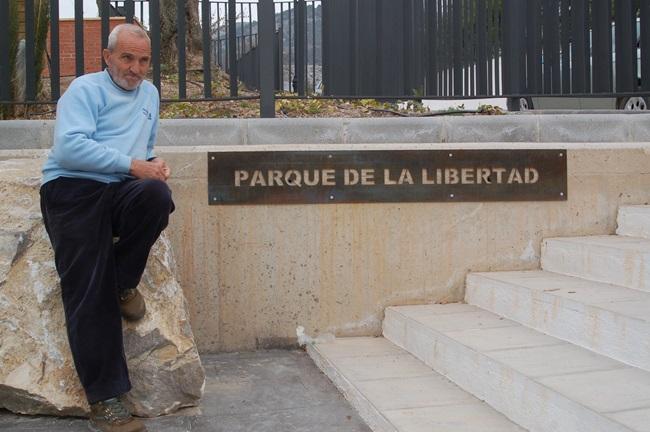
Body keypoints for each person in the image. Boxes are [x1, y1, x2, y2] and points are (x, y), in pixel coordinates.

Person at [40, 23, 173, 432]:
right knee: (87, 285)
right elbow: (70, 147)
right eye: (127, 58)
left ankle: (122, 282)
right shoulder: (84, 89)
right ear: (107, 56)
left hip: (118, 188)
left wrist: (151, 167)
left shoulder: (149, 95)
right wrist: (134, 165)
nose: (135, 69)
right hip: (71, 188)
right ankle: (107, 400)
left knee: (157, 197)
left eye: (143, 60)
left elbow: (142, 149)